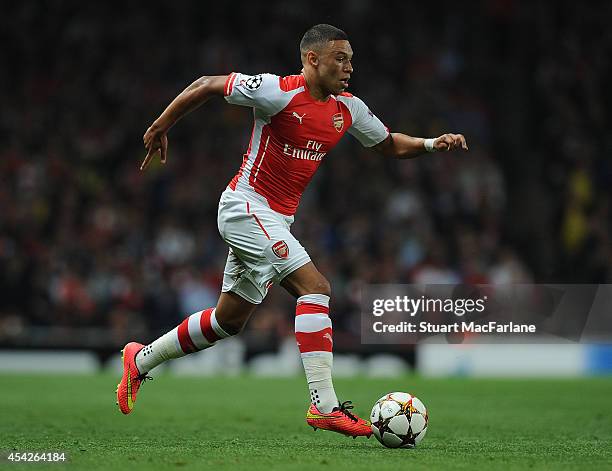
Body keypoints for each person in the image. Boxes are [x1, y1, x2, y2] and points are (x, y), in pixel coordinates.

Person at [116, 24, 468, 438]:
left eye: (351, 59)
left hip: (275, 219)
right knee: (315, 287)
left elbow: (388, 143)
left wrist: (431, 144)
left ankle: (139, 360)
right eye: (341, 58)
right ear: (311, 59)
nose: (349, 67)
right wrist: (160, 125)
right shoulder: (276, 91)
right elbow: (208, 83)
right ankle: (325, 406)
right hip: (244, 206)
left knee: (228, 321)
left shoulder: (348, 109)